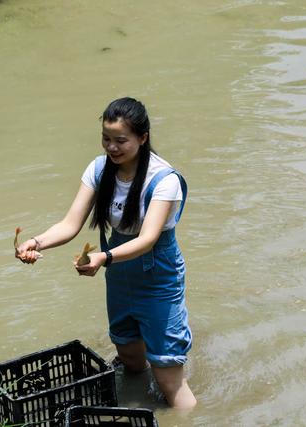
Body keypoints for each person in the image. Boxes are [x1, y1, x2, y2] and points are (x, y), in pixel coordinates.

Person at [15, 97, 197, 409]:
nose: (112, 148)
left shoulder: (164, 180)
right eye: (106, 139)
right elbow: (70, 224)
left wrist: (103, 257)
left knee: (168, 378)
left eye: (121, 141)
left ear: (143, 138)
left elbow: (149, 238)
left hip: (157, 277)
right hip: (119, 274)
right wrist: (36, 242)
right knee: (129, 357)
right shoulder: (100, 169)